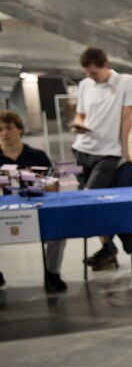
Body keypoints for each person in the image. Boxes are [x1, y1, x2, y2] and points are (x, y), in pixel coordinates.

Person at [72, 47, 132, 271]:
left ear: (106, 65)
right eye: (87, 74)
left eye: (94, 73)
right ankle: (110, 248)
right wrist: (79, 122)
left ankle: (119, 243)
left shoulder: (125, 82)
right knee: (95, 204)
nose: (91, 78)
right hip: (83, 149)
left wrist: (128, 152)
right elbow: (81, 113)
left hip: (109, 154)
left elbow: (127, 118)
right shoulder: (84, 85)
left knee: (93, 199)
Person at [0, 110, 67, 292]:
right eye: (0, 130)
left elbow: (54, 188)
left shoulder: (38, 156)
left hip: (38, 209)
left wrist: (38, 179)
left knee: (59, 231)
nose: (4, 133)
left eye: (8, 128)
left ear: (20, 130)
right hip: (6, 212)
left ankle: (52, 274)